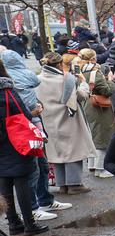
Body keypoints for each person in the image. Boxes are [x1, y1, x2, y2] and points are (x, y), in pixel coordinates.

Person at [35, 52, 94, 195]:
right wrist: (84, 83)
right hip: (69, 118)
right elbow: (82, 96)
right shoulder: (67, 79)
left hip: (48, 119)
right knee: (73, 151)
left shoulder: (36, 79)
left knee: (57, 152)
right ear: (60, 64)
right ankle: (74, 184)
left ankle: (62, 185)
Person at [0, 63, 44, 236]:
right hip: (15, 142)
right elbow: (24, 115)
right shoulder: (8, 91)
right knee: (22, 183)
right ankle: (29, 223)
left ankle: (13, 223)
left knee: (4, 184)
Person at [81, 56, 115, 177]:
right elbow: (107, 91)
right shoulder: (95, 72)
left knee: (93, 134)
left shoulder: (80, 71)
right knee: (103, 135)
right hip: (98, 107)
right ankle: (100, 168)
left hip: (87, 104)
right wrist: (111, 80)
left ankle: (92, 164)